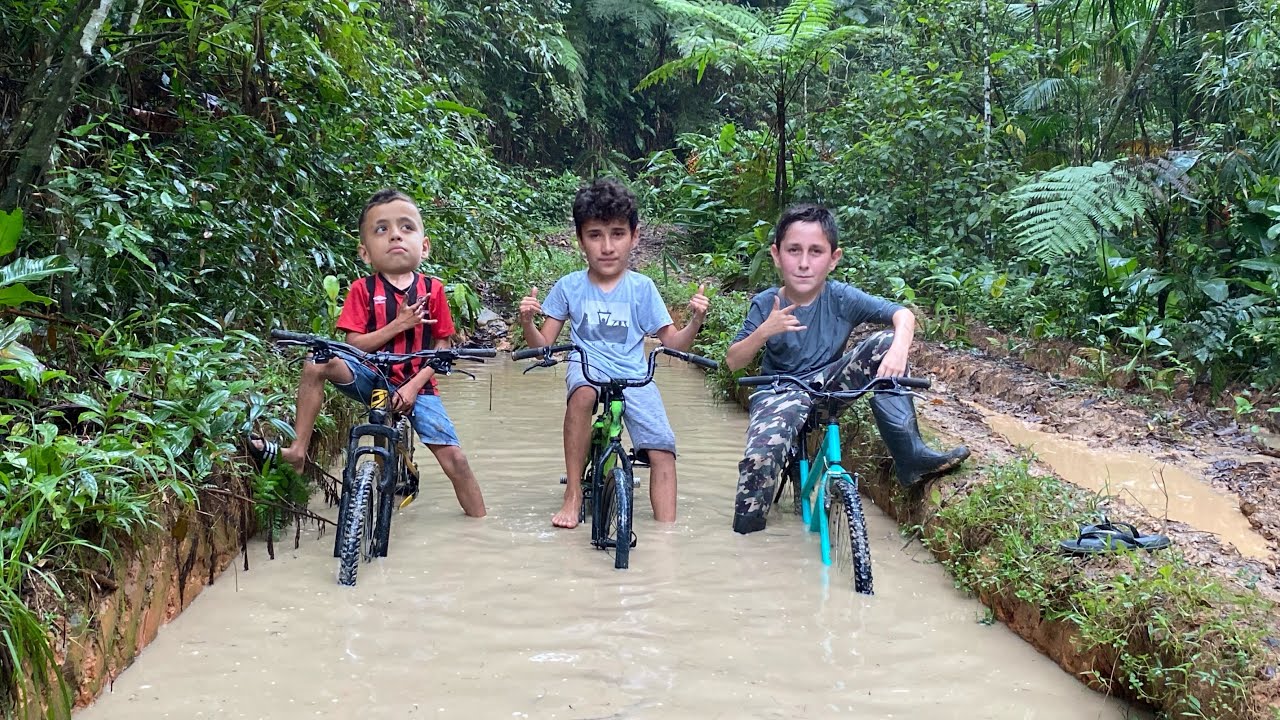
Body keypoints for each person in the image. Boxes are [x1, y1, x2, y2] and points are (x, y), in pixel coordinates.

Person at [724, 204, 968, 534]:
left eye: (816, 252)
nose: (804, 263)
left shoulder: (841, 297)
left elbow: (903, 315)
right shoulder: (767, 302)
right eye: (794, 251)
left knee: (884, 341)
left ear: (833, 258)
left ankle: (909, 457)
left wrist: (898, 350)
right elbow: (733, 360)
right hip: (778, 391)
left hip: (827, 388)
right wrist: (765, 330)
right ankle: (748, 534)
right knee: (761, 460)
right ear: (777, 255)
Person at [248, 188, 486, 518]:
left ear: (424, 245)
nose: (395, 236)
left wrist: (414, 386)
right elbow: (353, 344)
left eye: (406, 228)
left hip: (419, 385)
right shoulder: (362, 289)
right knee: (317, 361)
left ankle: (480, 528)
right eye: (381, 229)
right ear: (365, 252)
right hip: (370, 376)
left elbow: (442, 347)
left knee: (457, 461)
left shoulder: (433, 290)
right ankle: (297, 451)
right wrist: (398, 325)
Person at [519, 178, 709, 528]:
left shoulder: (643, 288)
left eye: (617, 234)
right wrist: (528, 322)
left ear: (634, 237)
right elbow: (542, 346)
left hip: (636, 376)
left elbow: (673, 345)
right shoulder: (569, 286)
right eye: (595, 235)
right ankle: (573, 493)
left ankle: (667, 536)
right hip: (587, 367)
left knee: (663, 451)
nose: (607, 246)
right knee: (582, 395)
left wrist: (695, 321)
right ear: (581, 240)